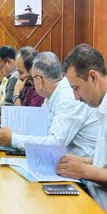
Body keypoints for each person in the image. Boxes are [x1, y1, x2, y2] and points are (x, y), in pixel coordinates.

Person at [0, 51, 98, 157]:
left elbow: (56, 143)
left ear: (39, 81)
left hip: (82, 168)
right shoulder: (52, 95)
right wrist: (0, 131)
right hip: (67, 163)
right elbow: (37, 128)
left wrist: (13, 139)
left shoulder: (68, 97)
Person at [56, 44, 107, 210]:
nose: (76, 97)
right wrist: (79, 160)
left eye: (76, 88)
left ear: (93, 77)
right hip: (93, 197)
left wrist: (84, 170)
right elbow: (103, 161)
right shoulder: (100, 106)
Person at [0, 47, 44, 125]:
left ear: (32, 70)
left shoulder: (39, 91)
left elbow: (24, 122)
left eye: (21, 72)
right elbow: (20, 116)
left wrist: (16, 94)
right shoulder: (30, 87)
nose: (19, 77)